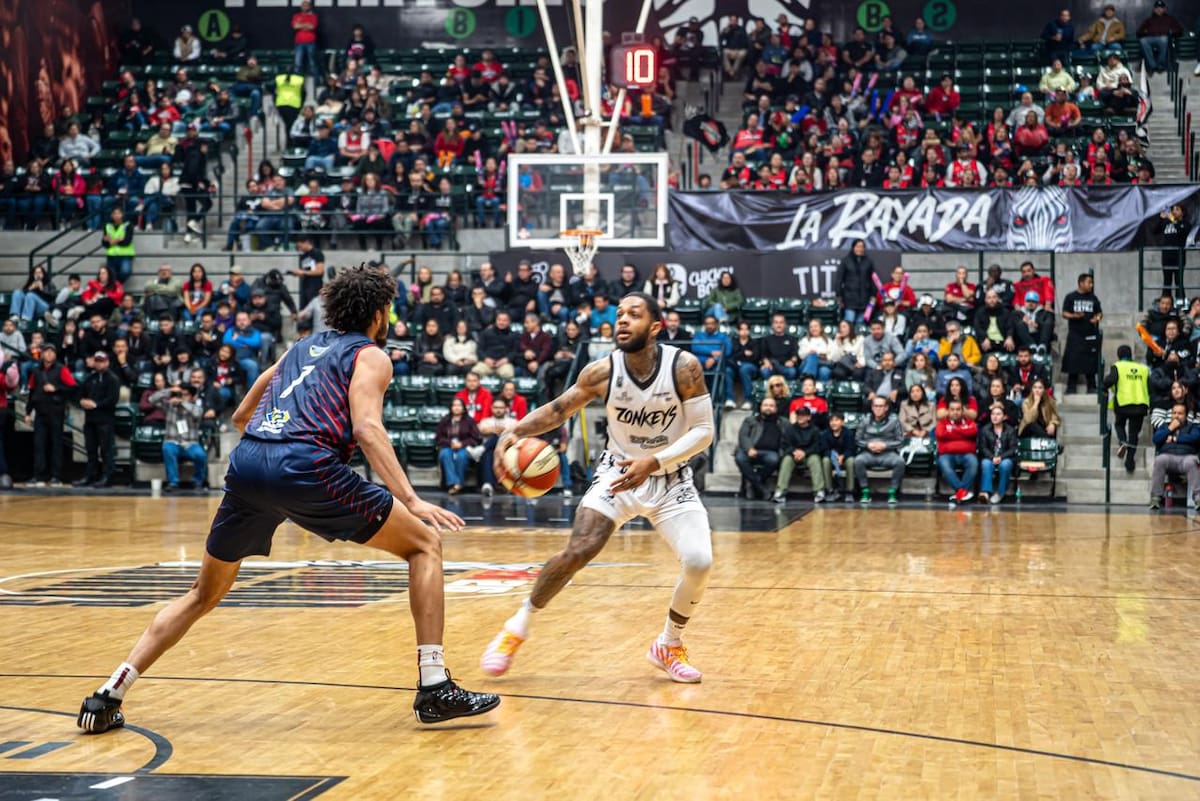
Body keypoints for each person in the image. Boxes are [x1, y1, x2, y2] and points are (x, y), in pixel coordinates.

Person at [78, 266, 497, 734]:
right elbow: (367, 428)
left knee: (203, 594)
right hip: (306, 465)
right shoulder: (372, 356)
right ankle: (435, 686)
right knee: (423, 544)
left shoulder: (299, 348)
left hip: (250, 460)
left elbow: (241, 416)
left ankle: (109, 693)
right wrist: (411, 498)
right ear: (380, 314)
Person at [480, 293, 715, 684]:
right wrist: (514, 430)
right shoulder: (600, 372)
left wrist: (653, 462)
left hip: (670, 478)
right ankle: (516, 627)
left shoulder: (684, 368)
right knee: (581, 548)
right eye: (619, 314)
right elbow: (557, 410)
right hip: (617, 475)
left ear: (655, 327)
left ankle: (668, 644)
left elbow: (705, 432)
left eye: (634, 315)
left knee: (699, 562)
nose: (622, 321)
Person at [25, 344, 75, 487]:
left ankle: (56, 476)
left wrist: (56, 389)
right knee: (39, 445)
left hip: (56, 412)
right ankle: (39, 476)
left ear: (55, 354)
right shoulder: (36, 371)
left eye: (51, 352)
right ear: (41, 354)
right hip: (40, 412)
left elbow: (72, 387)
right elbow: (32, 393)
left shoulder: (62, 369)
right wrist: (28, 412)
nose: (48, 354)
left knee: (56, 445)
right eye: (46, 352)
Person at [75, 351, 121, 488]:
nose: (99, 363)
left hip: (105, 420)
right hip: (90, 420)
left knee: (106, 450)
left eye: (102, 361)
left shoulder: (113, 379)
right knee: (90, 449)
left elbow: (113, 399)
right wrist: (81, 401)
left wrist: (95, 405)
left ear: (107, 362)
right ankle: (90, 475)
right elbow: (80, 394)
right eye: (97, 361)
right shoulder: (90, 378)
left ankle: (107, 476)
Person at [1104, 345, 1151, 474]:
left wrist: (1103, 388)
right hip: (1140, 405)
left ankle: (1123, 441)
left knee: (1119, 424)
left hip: (1123, 403)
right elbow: (1150, 387)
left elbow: (1110, 380)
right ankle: (1130, 461)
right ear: (1131, 355)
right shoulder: (1143, 368)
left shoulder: (1118, 366)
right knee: (1134, 433)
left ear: (1118, 356)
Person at [855, 397, 905, 505]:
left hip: (888, 453)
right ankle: (865, 491)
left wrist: (885, 445)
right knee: (858, 460)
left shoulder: (894, 420)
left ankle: (892, 492)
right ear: (872, 408)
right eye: (875, 406)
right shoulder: (865, 420)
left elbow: (900, 441)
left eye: (881, 406)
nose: (878, 409)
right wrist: (868, 445)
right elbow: (857, 439)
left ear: (886, 408)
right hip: (868, 452)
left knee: (900, 462)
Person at [1149, 403, 1200, 508]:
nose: (1176, 416)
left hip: (1186, 457)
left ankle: (1198, 499)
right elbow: (1156, 439)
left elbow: (1195, 438)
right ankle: (1155, 499)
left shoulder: (1192, 426)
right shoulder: (1165, 426)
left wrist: (1175, 439)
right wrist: (1170, 429)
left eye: (1180, 413)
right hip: (1168, 457)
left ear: (1185, 416)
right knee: (1159, 460)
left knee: (1192, 462)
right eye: (1174, 413)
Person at [774, 405, 826, 503]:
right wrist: (794, 451)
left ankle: (819, 491)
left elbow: (818, 446)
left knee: (815, 459)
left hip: (809, 455)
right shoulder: (790, 429)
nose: (800, 417)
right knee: (786, 460)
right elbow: (785, 445)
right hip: (793, 454)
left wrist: (805, 453)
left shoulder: (815, 430)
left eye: (803, 415)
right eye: (798, 415)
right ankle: (780, 491)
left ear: (809, 417)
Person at [1062, 273, 1103, 393]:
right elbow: (1064, 313)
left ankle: (1092, 386)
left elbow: (1099, 313)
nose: (1091, 285)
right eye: (1089, 282)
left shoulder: (1093, 298)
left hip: (1090, 333)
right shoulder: (1070, 297)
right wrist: (1074, 315)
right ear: (1081, 283)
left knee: (1090, 360)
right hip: (1075, 333)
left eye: (1091, 282)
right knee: (1072, 359)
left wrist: (1097, 318)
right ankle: (1071, 386)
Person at [936, 398, 979, 505]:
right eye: (952, 409)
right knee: (943, 463)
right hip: (947, 455)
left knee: (973, 462)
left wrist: (953, 430)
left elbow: (973, 432)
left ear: (962, 411)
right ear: (948, 411)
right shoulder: (942, 423)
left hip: (967, 454)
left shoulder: (970, 422)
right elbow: (941, 434)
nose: (955, 412)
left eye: (958, 409)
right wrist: (963, 432)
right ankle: (962, 491)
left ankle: (959, 493)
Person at [435, 397, 482, 495]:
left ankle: (456, 484)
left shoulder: (469, 421)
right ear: (451, 408)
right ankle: (455, 483)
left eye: (459, 405)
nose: (456, 408)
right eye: (454, 405)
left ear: (463, 408)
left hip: (464, 447)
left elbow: (475, 437)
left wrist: (462, 444)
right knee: (445, 454)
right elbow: (438, 437)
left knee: (462, 456)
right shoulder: (445, 420)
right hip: (449, 446)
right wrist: (450, 443)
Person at [977, 403, 1018, 504]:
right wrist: (992, 457)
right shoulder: (985, 430)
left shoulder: (1010, 430)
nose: (995, 417)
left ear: (1004, 417)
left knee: (1005, 464)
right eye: (993, 414)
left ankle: (1000, 493)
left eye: (998, 414)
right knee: (986, 463)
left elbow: (1013, 448)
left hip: (1005, 457)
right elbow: (983, 447)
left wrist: (1001, 457)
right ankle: (986, 492)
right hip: (990, 457)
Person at [1155, 204, 1191, 300]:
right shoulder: (1167, 222)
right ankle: (1166, 304)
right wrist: (1161, 219)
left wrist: (1173, 220)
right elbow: (1155, 231)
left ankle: (1180, 304)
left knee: (1178, 282)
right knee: (1167, 282)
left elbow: (1182, 232)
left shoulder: (1185, 223)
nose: (1174, 211)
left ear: (1182, 212)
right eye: (1173, 209)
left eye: (1177, 209)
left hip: (1178, 257)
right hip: (1167, 256)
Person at [1137, 0, 1184, 74]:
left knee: (1163, 39)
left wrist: (1172, 32)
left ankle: (1161, 65)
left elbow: (1179, 30)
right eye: (1157, 8)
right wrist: (1144, 32)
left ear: (1165, 9)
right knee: (1143, 41)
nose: (1159, 9)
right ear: (1154, 9)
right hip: (1151, 38)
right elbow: (1139, 31)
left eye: (1161, 8)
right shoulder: (1149, 20)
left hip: (1164, 38)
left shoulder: (1170, 19)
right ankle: (1153, 66)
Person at [835, 239, 875, 324]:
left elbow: (873, 279)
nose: (860, 249)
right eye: (858, 246)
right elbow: (839, 279)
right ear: (853, 247)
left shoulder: (868, 262)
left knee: (860, 323)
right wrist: (839, 296)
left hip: (865, 298)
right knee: (849, 322)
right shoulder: (846, 261)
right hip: (849, 299)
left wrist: (873, 295)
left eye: (862, 247)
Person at [820, 410, 856, 502]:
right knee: (825, 460)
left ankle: (849, 491)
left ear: (842, 422)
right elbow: (824, 449)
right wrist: (833, 457)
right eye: (831, 421)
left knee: (851, 461)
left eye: (836, 420)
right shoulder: (825, 434)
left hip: (845, 457)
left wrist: (843, 456)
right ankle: (829, 490)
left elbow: (851, 449)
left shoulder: (848, 433)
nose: (833, 423)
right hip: (831, 457)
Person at [103, 207, 135, 283]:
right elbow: (105, 242)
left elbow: (127, 241)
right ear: (111, 215)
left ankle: (117, 284)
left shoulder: (128, 225)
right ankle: (116, 287)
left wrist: (112, 241)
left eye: (118, 213)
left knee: (125, 272)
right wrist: (118, 239)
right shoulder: (108, 226)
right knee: (110, 275)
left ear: (122, 215)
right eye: (114, 213)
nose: (117, 215)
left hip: (125, 255)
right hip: (111, 256)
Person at [291, 0, 320, 79]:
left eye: (307, 5)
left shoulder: (313, 16)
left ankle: (315, 82)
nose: (305, 7)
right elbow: (295, 26)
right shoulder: (296, 16)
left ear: (310, 6)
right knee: (297, 63)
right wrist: (306, 25)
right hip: (299, 42)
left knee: (312, 63)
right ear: (301, 6)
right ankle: (297, 81)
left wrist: (301, 25)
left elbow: (312, 27)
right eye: (303, 5)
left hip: (310, 42)